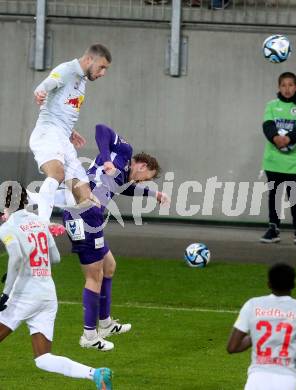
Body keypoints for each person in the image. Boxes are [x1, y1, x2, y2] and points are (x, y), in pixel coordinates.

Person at [62, 124, 170, 351]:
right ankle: (89, 336)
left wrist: (154, 194)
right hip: (82, 215)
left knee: (109, 266)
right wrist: (107, 159)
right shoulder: (124, 152)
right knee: (94, 276)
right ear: (142, 165)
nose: (140, 182)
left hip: (90, 216)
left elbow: (125, 188)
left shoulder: (122, 176)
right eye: (144, 178)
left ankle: (105, 324)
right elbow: (102, 129)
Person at [0, 184, 112, 390]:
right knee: (43, 358)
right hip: (47, 296)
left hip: (23, 295)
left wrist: (5, 293)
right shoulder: (40, 222)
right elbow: (55, 257)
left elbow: (16, 257)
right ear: (25, 201)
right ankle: (95, 374)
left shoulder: (7, 227)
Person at [29, 44, 112, 234]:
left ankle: (25, 198)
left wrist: (70, 131)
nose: (103, 73)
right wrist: (41, 91)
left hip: (62, 138)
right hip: (47, 133)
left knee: (85, 198)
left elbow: (62, 106)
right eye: (102, 67)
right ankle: (43, 225)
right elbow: (48, 84)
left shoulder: (81, 81)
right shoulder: (67, 70)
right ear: (90, 59)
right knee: (56, 174)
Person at [227, 263, 296, 390]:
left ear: (269, 284)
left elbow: (232, 347)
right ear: (293, 284)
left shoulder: (252, 304)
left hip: (256, 379)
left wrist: (256, 335)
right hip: (287, 379)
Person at [260, 72, 296, 246]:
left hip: (294, 163)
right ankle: (273, 228)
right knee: (274, 196)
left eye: (291, 85)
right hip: (273, 161)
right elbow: (267, 125)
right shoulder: (271, 105)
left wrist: (288, 139)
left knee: (295, 197)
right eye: (284, 85)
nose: (287, 88)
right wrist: (276, 139)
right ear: (279, 87)